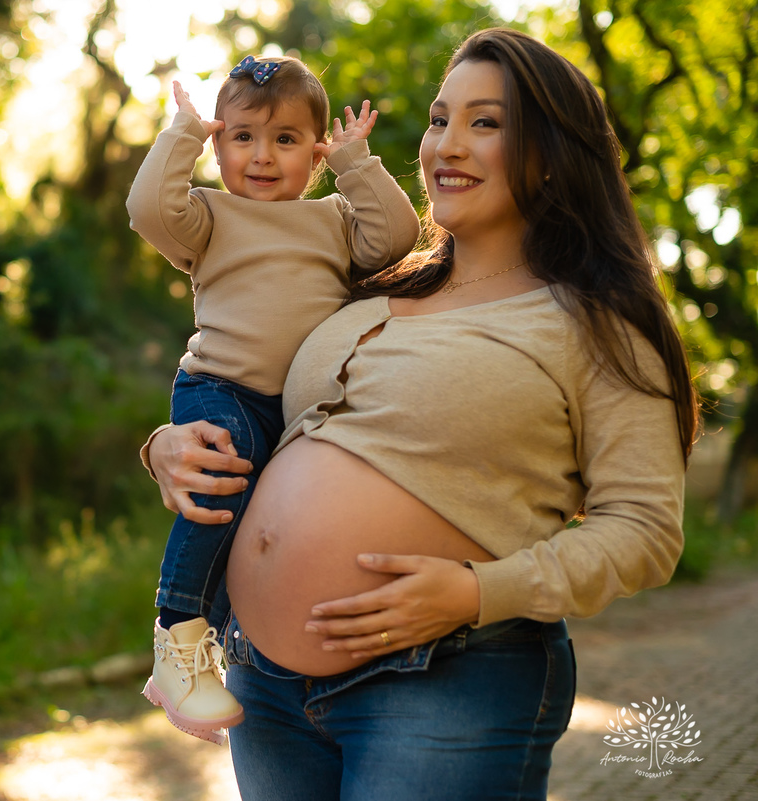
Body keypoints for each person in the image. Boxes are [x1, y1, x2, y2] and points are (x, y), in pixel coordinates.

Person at [143, 27, 699, 800]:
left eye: (486, 122)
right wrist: (167, 446)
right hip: (264, 686)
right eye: (440, 120)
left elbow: (644, 531)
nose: (447, 144)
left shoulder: (597, 321)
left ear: (552, 150)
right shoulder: (369, 284)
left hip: (446, 677)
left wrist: (478, 593)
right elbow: (249, 388)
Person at [125, 54, 420, 744]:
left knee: (253, 517)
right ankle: (175, 634)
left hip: (291, 411)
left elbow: (396, 237)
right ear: (220, 144)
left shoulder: (333, 218)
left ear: (314, 152)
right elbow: (146, 210)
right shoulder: (206, 215)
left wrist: (357, 164)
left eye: (286, 139)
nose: (262, 156)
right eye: (243, 137)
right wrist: (182, 134)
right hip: (219, 388)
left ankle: (219, 641)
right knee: (222, 476)